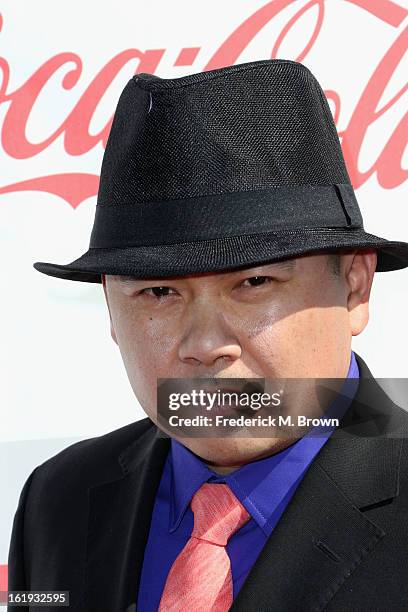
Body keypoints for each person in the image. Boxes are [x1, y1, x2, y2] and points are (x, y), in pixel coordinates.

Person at [8, 59, 408, 612]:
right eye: (158, 293)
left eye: (253, 281)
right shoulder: (58, 500)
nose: (203, 343)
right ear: (108, 307)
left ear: (355, 289)